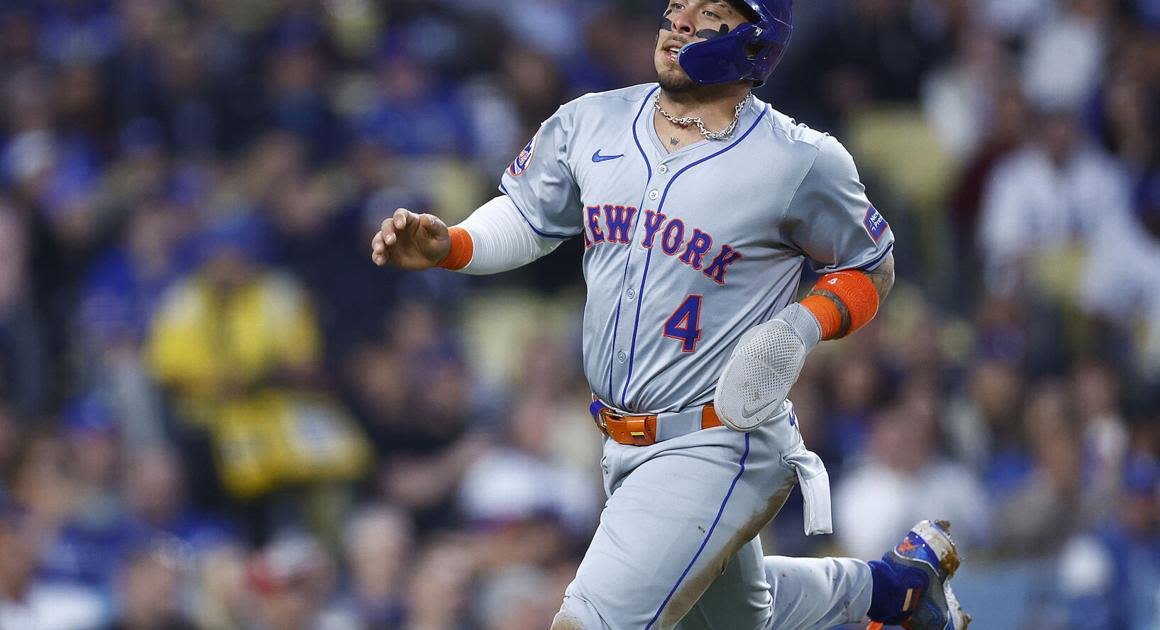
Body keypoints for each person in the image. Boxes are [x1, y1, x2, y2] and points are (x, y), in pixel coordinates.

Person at [370, 1, 969, 628]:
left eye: (709, 14)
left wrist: (804, 322)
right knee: (740, 621)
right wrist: (454, 244)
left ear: (756, 40)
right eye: (677, 5)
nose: (680, 21)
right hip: (620, 439)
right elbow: (527, 215)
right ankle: (894, 589)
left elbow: (871, 264)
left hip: (718, 439)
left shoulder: (799, 159)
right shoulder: (591, 120)